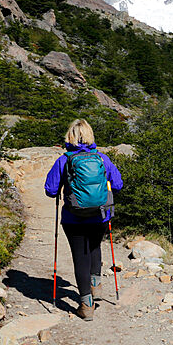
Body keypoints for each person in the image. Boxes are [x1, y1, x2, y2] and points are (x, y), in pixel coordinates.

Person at [44, 119, 123, 320]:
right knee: (95, 247)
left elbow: (50, 190)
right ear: (90, 136)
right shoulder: (102, 159)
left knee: (81, 257)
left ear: (69, 137)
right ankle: (96, 288)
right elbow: (118, 184)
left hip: (73, 217)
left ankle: (86, 306)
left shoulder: (64, 160)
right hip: (100, 215)